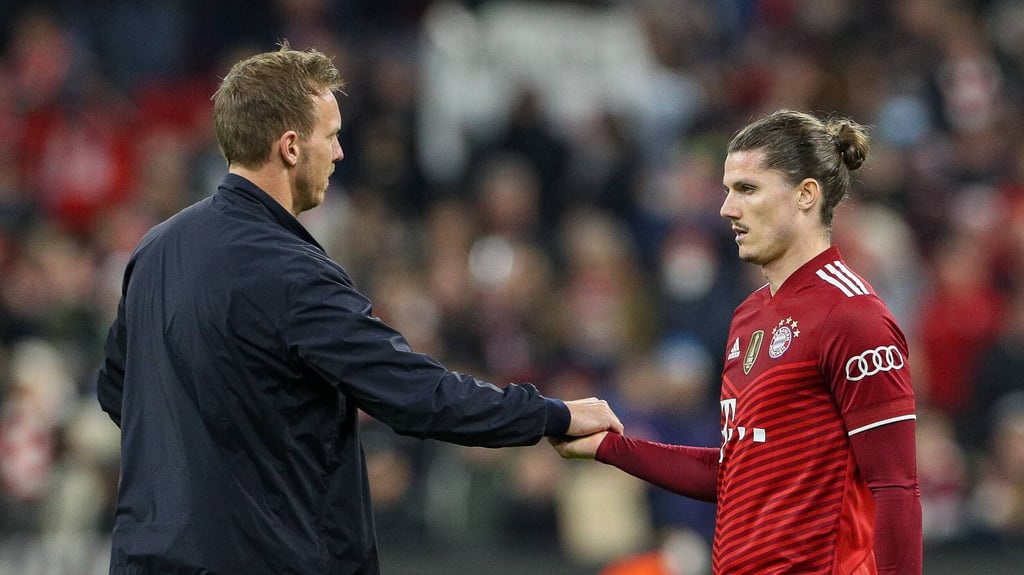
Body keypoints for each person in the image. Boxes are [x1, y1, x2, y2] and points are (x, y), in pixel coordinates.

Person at [96, 42, 622, 575]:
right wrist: (552, 414)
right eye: (332, 136)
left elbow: (119, 390)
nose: (341, 153)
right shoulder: (292, 272)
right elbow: (417, 395)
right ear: (291, 147)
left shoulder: (155, 249)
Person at [551, 110, 922, 575]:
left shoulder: (853, 317)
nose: (727, 208)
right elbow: (736, 470)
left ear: (806, 195)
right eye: (727, 191)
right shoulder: (750, 315)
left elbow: (896, 487)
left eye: (747, 189)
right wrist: (609, 447)